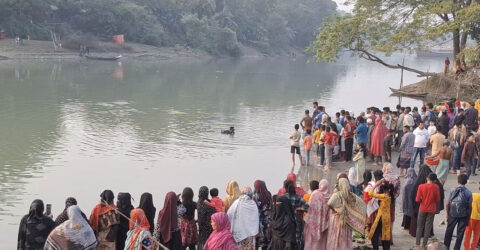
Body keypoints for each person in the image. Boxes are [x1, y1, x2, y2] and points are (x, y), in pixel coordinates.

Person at [327, 178, 366, 250]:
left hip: (337, 219)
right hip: (347, 221)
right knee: (345, 237)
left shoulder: (337, 194)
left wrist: (336, 209)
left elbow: (329, 203)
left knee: (337, 237)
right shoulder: (351, 195)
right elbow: (360, 203)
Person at [444, 174, 473, 250]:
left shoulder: (452, 190)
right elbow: (470, 207)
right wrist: (468, 218)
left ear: (458, 181)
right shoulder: (469, 193)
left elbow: (448, 204)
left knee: (449, 232)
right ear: (466, 182)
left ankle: (446, 247)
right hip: (463, 216)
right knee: (460, 234)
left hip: (452, 214)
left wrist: (447, 215)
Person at [415, 173, 440, 249]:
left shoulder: (421, 186)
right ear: (435, 180)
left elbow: (417, 199)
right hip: (432, 209)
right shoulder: (436, 187)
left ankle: (417, 244)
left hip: (422, 208)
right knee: (428, 227)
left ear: (427, 178)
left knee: (419, 226)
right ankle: (424, 245)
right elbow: (438, 199)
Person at [367, 180, 394, 250]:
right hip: (387, 217)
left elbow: (370, 193)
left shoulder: (384, 196)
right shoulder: (390, 195)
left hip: (381, 217)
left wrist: (376, 184)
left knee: (374, 235)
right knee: (385, 236)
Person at [304, 179, 330, 250]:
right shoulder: (330, 197)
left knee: (311, 240)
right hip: (324, 224)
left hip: (313, 222)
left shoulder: (315, 193)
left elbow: (309, 206)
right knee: (322, 241)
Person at [409, 165, 433, 237]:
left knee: (418, 222)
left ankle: (416, 235)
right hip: (429, 206)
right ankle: (427, 234)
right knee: (428, 221)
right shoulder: (432, 184)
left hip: (418, 205)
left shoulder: (417, 182)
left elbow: (412, 195)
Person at [253, 180, 273, 250]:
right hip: (269, 222)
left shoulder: (255, 197)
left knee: (260, 243)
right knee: (268, 242)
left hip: (260, 223)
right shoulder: (269, 194)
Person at [464, 185, 480, 250]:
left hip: (470, 217)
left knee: (468, 234)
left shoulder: (473, 195)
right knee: (476, 235)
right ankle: (473, 247)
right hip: (479, 219)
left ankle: (466, 248)